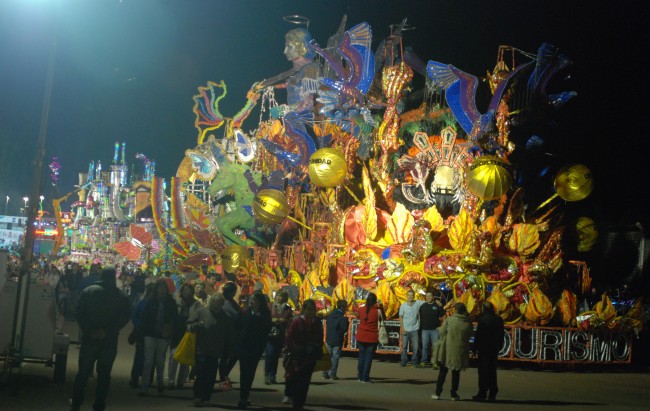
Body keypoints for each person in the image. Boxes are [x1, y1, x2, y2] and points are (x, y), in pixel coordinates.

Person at [70, 267, 131, 411]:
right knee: (104, 375)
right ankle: (99, 404)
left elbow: (78, 312)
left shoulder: (89, 291)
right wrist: (108, 331)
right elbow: (125, 316)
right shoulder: (120, 296)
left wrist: (89, 330)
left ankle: (76, 402)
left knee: (83, 373)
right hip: (109, 340)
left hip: (89, 339)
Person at [188, 293, 234, 407]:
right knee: (200, 374)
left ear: (221, 304)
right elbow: (189, 325)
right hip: (201, 349)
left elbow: (229, 335)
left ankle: (206, 397)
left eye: (217, 303)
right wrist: (197, 325)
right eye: (212, 302)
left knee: (211, 375)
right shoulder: (201, 312)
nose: (214, 305)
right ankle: (198, 396)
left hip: (215, 351)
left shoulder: (226, 317)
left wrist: (227, 351)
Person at [139, 279, 178, 395]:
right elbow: (144, 319)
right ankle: (144, 386)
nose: (161, 291)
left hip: (163, 335)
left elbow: (175, 318)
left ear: (166, 291)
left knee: (160, 361)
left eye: (163, 289)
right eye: (159, 289)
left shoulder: (171, 303)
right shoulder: (150, 302)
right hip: (150, 334)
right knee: (148, 361)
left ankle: (160, 381)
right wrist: (140, 336)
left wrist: (170, 328)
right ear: (156, 290)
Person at [283, 299, 323, 411]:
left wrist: (316, 347)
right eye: (309, 309)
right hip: (297, 355)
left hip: (310, 356)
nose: (311, 312)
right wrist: (288, 350)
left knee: (305, 381)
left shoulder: (317, 322)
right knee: (296, 379)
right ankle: (296, 403)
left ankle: (300, 403)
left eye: (313, 309)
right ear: (304, 309)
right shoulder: (297, 321)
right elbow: (289, 337)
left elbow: (320, 337)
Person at [237, 293, 273, 409]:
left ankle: (245, 395)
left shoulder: (265, 314)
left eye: (254, 300)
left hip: (256, 348)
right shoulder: (245, 312)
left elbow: (266, 330)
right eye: (251, 299)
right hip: (244, 347)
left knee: (250, 372)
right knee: (244, 372)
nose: (252, 302)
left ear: (260, 302)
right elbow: (236, 325)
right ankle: (243, 397)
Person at [432, 302, 474, 401]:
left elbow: (442, 332)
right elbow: (470, 334)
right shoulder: (467, 321)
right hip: (460, 349)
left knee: (443, 372)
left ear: (455, 310)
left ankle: (437, 393)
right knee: (456, 373)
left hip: (447, 350)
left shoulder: (450, 320)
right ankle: (453, 394)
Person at [167, 282, 201, 389]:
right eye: (185, 290)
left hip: (188, 332)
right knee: (174, 355)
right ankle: (171, 381)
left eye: (189, 290)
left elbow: (197, 317)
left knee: (185, 358)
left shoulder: (196, 304)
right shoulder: (177, 301)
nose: (187, 292)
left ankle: (181, 381)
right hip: (177, 331)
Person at [473, 301, 505, 401]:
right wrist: (499, 345)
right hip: (494, 347)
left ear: (484, 309)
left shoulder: (482, 320)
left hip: (484, 348)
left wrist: (475, 348)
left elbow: (478, 335)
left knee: (483, 371)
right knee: (492, 370)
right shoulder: (498, 319)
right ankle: (492, 392)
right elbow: (501, 334)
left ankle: (482, 392)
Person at [129, 282, 155, 389]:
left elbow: (134, 315)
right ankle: (143, 378)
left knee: (141, 355)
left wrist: (138, 324)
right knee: (145, 356)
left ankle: (139, 377)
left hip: (146, 332)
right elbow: (135, 315)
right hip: (144, 332)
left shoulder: (144, 302)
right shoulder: (144, 303)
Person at [265, 289, 293, 385]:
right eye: (277, 295)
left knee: (276, 356)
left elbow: (290, 321)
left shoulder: (287, 308)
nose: (278, 297)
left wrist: (284, 320)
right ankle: (267, 375)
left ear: (284, 298)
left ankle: (273, 375)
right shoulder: (270, 306)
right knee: (269, 354)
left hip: (280, 334)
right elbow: (265, 318)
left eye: (280, 296)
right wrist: (272, 320)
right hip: (270, 334)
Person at [355, 292, 383, 383]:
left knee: (361, 357)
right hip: (371, 337)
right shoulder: (377, 311)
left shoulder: (361, 309)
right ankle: (365, 377)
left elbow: (358, 315)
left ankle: (359, 376)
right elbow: (383, 319)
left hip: (361, 336)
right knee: (368, 358)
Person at [218, 281, 242, 390]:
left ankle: (224, 376)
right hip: (225, 333)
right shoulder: (224, 302)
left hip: (233, 333)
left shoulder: (232, 301)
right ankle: (223, 378)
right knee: (225, 357)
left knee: (233, 355)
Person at [323, 299, 349, 380]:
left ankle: (325, 373)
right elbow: (344, 329)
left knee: (328, 356)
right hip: (337, 339)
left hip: (329, 337)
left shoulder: (330, 315)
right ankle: (332, 374)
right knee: (335, 357)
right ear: (343, 307)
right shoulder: (343, 318)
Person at [399, 289, 425, 367]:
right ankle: (404, 361)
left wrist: (436, 301)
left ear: (414, 296)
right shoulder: (403, 306)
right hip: (406, 328)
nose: (410, 297)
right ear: (406, 296)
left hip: (415, 329)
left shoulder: (417, 303)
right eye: (409, 295)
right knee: (404, 347)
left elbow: (427, 302)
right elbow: (400, 317)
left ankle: (414, 361)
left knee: (416, 347)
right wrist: (402, 328)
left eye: (411, 295)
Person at [419, 291, 445, 367]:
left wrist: (442, 326)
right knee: (425, 346)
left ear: (433, 297)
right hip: (425, 330)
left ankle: (434, 362)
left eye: (430, 296)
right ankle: (423, 361)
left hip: (435, 330)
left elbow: (443, 316)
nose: (428, 297)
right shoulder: (423, 306)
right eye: (427, 296)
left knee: (435, 347)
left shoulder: (437, 306)